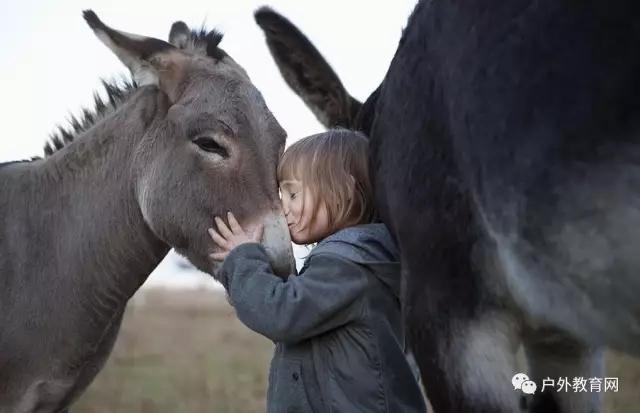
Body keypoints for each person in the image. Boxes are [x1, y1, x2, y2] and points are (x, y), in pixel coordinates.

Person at [207, 129, 427, 413]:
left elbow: (280, 314)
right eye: (280, 194)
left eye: (293, 193)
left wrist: (243, 258)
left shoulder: (349, 265)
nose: (282, 207)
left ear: (344, 190)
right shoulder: (355, 262)